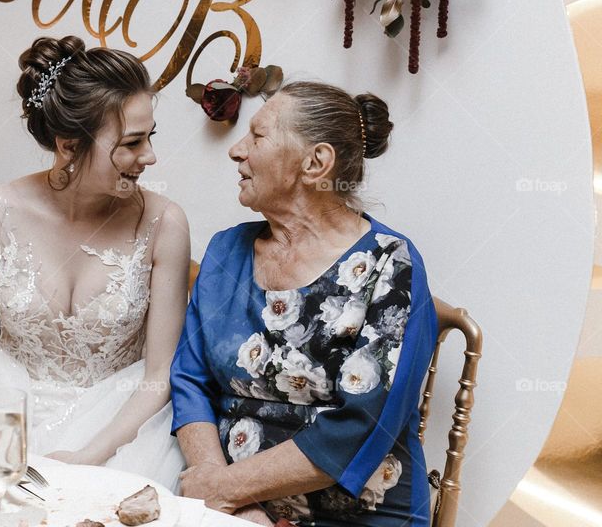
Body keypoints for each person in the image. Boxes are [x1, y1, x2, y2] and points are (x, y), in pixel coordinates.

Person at [170, 81, 438, 525]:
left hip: (353, 512)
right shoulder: (225, 252)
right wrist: (225, 494)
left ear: (315, 163)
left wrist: (231, 488)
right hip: (229, 505)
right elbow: (190, 383)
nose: (236, 150)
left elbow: (362, 425)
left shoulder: (390, 266)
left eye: (257, 136)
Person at [0, 35, 188, 490]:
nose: (150, 157)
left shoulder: (164, 224)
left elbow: (160, 373)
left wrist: (89, 455)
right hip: (0, 406)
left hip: (119, 427)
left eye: (149, 138)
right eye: (132, 142)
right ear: (69, 144)